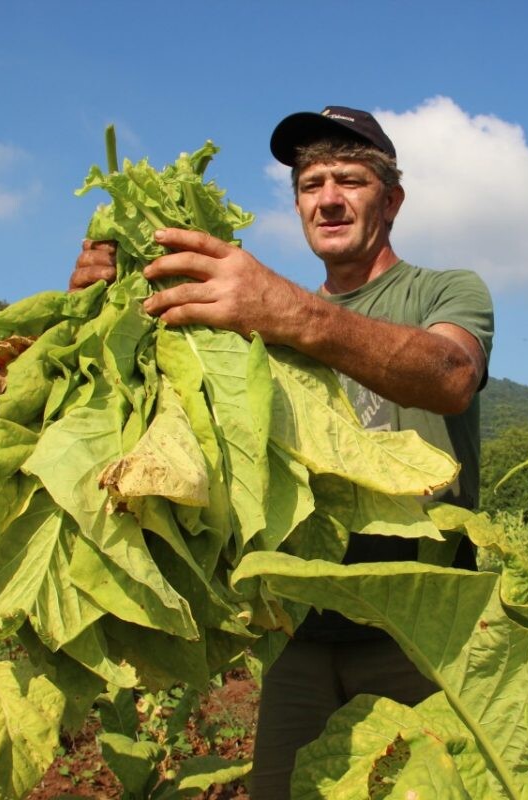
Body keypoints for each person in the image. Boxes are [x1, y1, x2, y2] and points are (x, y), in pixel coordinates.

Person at [70, 105, 494, 798]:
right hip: (299, 632)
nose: (327, 198)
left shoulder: (442, 290)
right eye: (310, 183)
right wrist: (109, 307)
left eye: (350, 180)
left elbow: (449, 376)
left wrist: (285, 311)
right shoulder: (246, 320)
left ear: (392, 199)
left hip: (424, 629)